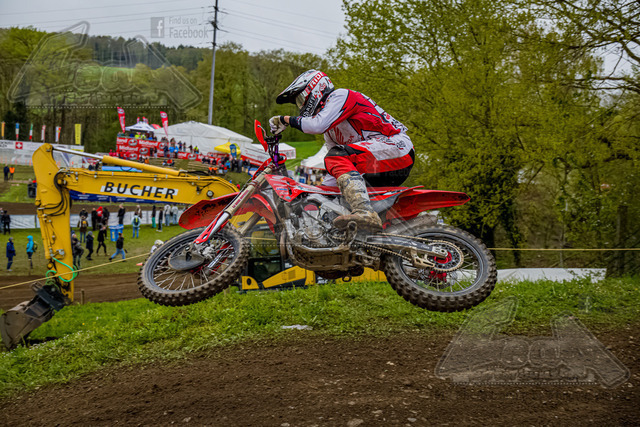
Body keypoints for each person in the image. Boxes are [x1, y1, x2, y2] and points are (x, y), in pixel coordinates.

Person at [269, 70, 414, 230]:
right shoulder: (331, 131)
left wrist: (285, 120)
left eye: (301, 99)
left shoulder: (341, 95)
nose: (301, 105)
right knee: (329, 197)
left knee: (336, 155)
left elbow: (317, 125)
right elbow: (336, 168)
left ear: (316, 88)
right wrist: (317, 196)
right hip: (378, 163)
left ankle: (364, 212)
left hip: (398, 148)